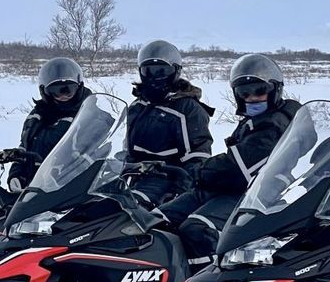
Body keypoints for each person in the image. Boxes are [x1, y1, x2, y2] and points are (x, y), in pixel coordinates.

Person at [157, 53, 301, 269]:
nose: (251, 98)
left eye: (259, 91)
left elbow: (238, 168)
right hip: (227, 189)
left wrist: (200, 171)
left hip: (254, 194)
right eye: (244, 92)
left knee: (198, 230)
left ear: (274, 90)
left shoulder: (275, 124)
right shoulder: (256, 120)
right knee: (157, 219)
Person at [124, 40, 215, 207]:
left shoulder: (188, 108)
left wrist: (183, 186)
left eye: (161, 71)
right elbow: (129, 149)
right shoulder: (137, 106)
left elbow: (197, 155)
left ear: (175, 72)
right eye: (149, 70)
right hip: (134, 177)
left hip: (168, 180)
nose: (154, 76)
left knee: (130, 210)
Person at [8, 57, 93, 191]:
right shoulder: (37, 115)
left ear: (79, 88)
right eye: (57, 90)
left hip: (67, 192)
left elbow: (95, 156)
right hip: (32, 191)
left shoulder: (88, 116)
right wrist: (16, 174)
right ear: (46, 91)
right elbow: (25, 147)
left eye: (68, 89)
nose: (64, 95)